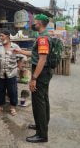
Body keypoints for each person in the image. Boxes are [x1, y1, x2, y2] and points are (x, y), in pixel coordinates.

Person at [14, 14, 52, 143]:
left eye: (34, 22)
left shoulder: (43, 39)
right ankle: (42, 125)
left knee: (38, 102)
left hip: (41, 73)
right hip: (45, 73)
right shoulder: (43, 36)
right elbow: (35, 53)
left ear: (40, 24)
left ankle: (42, 134)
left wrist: (34, 78)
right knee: (43, 99)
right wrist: (20, 52)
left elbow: (42, 59)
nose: (33, 24)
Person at [0, 30, 25, 116]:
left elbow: (22, 57)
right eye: (0, 36)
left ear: (7, 36)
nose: (0, 38)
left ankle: (13, 107)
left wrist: (19, 67)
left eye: (2, 36)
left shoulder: (15, 46)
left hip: (12, 72)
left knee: (12, 91)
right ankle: (0, 106)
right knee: (0, 90)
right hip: (0, 72)